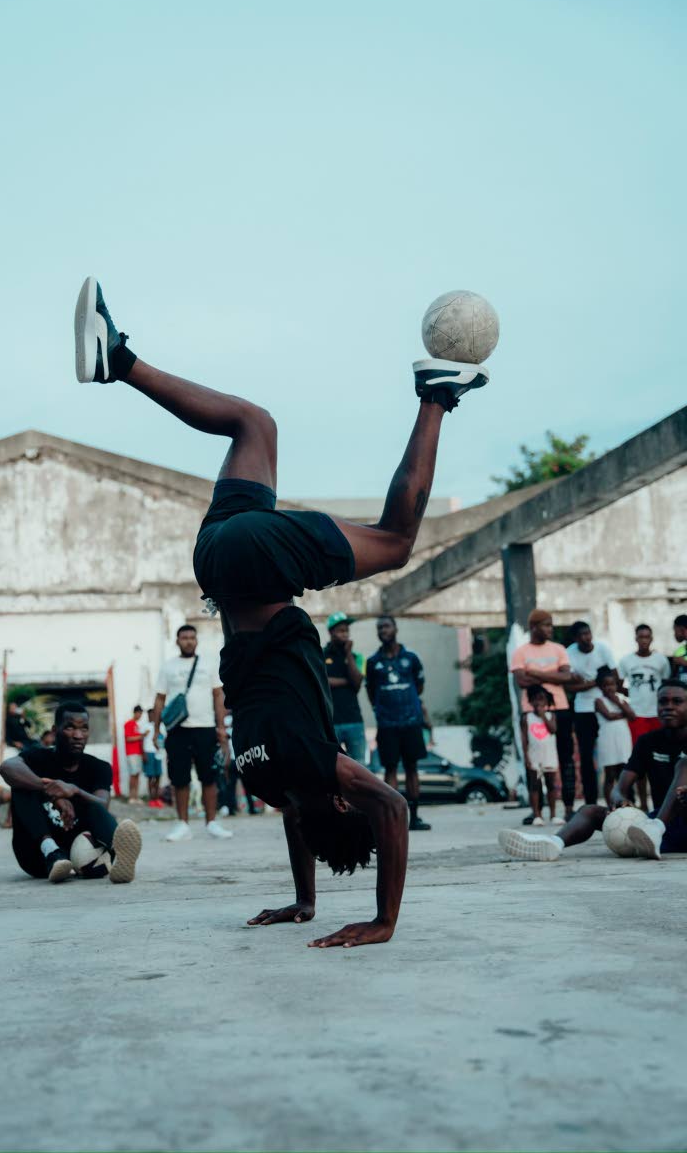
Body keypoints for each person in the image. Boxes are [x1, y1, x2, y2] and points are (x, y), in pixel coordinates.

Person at [74, 275, 487, 947]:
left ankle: (437, 394)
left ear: (345, 798)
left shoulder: (323, 771)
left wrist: (384, 920)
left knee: (397, 542)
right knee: (253, 424)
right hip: (214, 559)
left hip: (259, 564)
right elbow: (303, 817)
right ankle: (116, 360)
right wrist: (304, 903)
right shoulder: (275, 780)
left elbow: (392, 806)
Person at [497, 680, 687, 862]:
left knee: (684, 763)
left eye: (677, 701)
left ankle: (656, 828)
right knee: (589, 811)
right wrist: (619, 799)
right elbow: (619, 787)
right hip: (657, 833)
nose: (668, 707)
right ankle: (554, 843)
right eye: (663, 701)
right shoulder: (648, 741)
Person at [0, 700, 142, 883]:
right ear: (54, 730)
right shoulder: (37, 757)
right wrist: (50, 791)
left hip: (86, 852)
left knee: (95, 805)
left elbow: (103, 804)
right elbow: (7, 767)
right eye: (70, 728)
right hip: (36, 856)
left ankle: (119, 854)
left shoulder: (99, 767)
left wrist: (73, 791)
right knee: (22, 783)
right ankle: (53, 852)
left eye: (84, 729)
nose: (78, 735)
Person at [152, 625, 232, 841]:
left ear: (196, 641)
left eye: (191, 637)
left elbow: (218, 695)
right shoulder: (168, 667)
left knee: (209, 776)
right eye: (184, 638)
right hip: (177, 730)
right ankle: (182, 824)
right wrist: (155, 729)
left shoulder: (209, 663)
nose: (188, 641)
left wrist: (221, 727)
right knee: (180, 778)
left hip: (205, 728)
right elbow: (160, 699)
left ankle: (212, 822)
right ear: (177, 641)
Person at [366, 615, 431, 831]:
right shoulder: (373, 662)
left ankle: (415, 816)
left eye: (386, 626)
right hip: (387, 725)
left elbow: (419, 686)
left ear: (395, 628)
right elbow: (371, 693)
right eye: (379, 628)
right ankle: (393, 819)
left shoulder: (411, 658)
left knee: (412, 767)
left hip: (411, 722)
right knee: (390, 769)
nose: (382, 631)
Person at [510, 610, 577, 820]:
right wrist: (553, 676)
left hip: (559, 708)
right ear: (534, 627)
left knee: (565, 760)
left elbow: (567, 677)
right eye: (546, 625)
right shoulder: (521, 652)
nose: (550, 629)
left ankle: (567, 809)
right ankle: (537, 811)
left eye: (551, 625)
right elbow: (521, 681)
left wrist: (536, 673)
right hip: (532, 712)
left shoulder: (558, 649)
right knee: (535, 763)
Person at [619, 624, 670, 811]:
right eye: (641, 637)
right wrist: (629, 699)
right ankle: (642, 803)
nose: (644, 640)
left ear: (652, 638)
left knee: (660, 759)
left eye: (647, 637)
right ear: (635, 638)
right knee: (640, 759)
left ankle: (663, 801)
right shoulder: (626, 661)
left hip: (657, 715)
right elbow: (616, 685)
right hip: (637, 715)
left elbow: (666, 686)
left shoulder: (661, 661)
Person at [565, 621, 616, 807]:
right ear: (575, 638)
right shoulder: (569, 653)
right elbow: (569, 687)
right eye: (582, 635)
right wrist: (597, 681)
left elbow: (614, 676)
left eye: (588, 633)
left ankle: (624, 799)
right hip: (583, 710)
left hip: (607, 705)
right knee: (586, 758)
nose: (587, 638)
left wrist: (587, 684)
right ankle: (591, 803)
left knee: (615, 756)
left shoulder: (603, 649)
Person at [323, 613, 367, 764]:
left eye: (346, 630)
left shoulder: (356, 656)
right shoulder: (321, 655)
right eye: (340, 630)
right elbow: (322, 681)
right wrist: (346, 681)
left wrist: (348, 654)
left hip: (354, 721)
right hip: (331, 723)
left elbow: (357, 682)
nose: (345, 634)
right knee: (331, 768)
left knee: (359, 766)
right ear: (331, 632)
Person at [594, 667, 634, 805]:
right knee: (610, 773)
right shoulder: (599, 701)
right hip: (607, 738)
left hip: (622, 738)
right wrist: (622, 712)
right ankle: (610, 804)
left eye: (612, 684)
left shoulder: (622, 698)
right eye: (606, 685)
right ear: (600, 687)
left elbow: (632, 716)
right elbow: (609, 716)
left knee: (624, 772)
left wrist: (617, 702)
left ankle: (627, 802)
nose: (609, 688)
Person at [521, 686, 558, 825]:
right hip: (534, 757)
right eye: (535, 700)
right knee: (535, 785)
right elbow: (524, 739)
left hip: (549, 756)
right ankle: (537, 815)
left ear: (547, 702)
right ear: (530, 702)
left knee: (551, 784)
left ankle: (553, 814)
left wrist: (543, 716)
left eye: (541, 699)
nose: (538, 703)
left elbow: (553, 730)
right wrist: (526, 757)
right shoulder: (527, 718)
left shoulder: (551, 716)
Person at [141, 708, 164, 807]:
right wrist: (143, 754)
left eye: (153, 714)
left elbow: (163, 738)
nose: (151, 717)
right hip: (148, 752)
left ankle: (157, 798)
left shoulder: (161, 726)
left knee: (158, 776)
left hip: (158, 753)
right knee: (150, 777)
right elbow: (141, 741)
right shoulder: (145, 726)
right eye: (149, 715)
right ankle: (151, 799)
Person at [124, 705, 145, 804]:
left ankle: (136, 796)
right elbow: (128, 738)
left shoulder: (137, 725)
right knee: (133, 774)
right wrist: (141, 736)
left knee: (137, 774)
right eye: (139, 713)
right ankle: (131, 797)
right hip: (131, 753)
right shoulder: (129, 724)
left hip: (138, 753)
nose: (140, 715)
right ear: (135, 712)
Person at [669, 614, 687, 685]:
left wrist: (684, 663)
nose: (674, 634)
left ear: (682, 629)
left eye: (675, 630)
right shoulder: (679, 651)